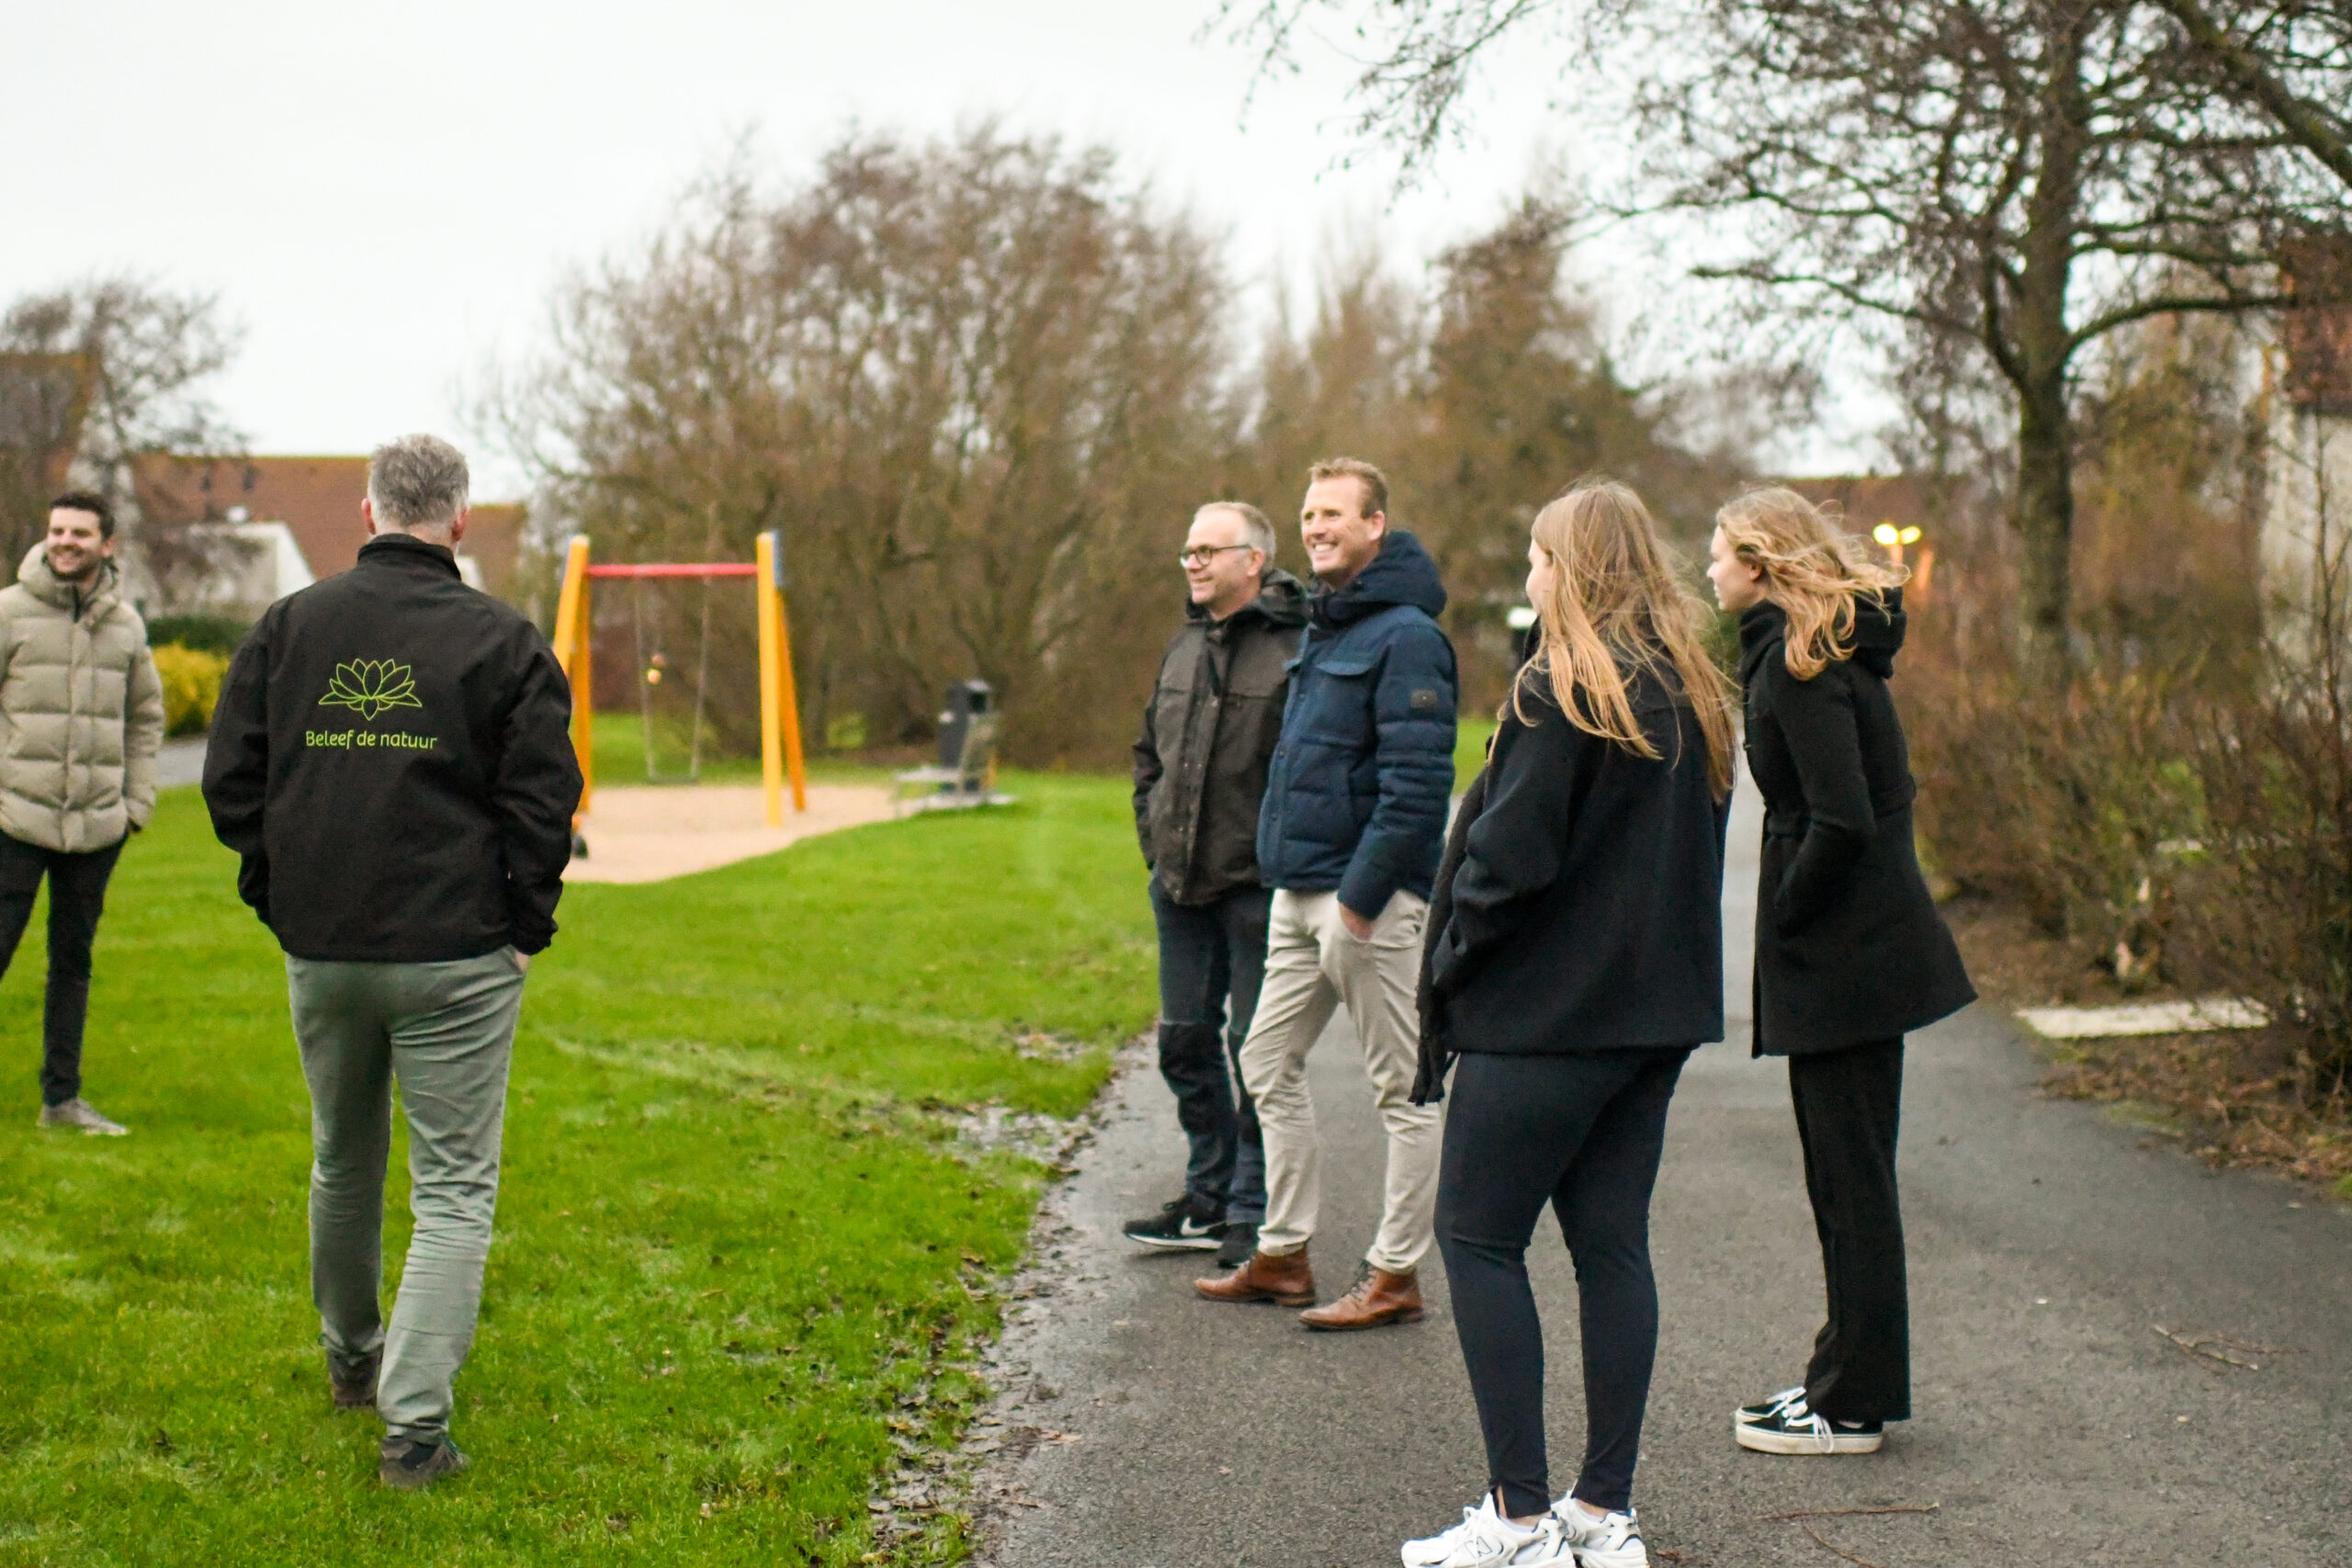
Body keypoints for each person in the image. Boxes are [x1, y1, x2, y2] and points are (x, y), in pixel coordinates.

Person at [202, 434, 582, 1491]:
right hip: (455, 951)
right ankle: (413, 1432)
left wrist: (278, 891)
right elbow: (545, 803)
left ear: (368, 515)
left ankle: (353, 1358)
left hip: (328, 948)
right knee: (454, 1189)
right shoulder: (503, 641)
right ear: (457, 521)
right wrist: (523, 922)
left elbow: (235, 783)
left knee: (344, 1158)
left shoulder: (291, 627)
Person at [1401, 479, 1736, 1568]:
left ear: (1576, 570)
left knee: (1479, 1237)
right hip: (1648, 1026)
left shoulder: (1564, 688)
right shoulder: (1691, 690)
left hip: (1544, 1020)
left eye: (1541, 558)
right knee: (1609, 1250)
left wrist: (1452, 963)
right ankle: (1601, 1513)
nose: (1531, 577)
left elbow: (1508, 861)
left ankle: (1517, 1518)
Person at [1705, 487, 1974, 1458]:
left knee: (1849, 1183)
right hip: (1852, 955)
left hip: (1846, 961)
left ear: (1763, 562)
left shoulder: (1800, 666)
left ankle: (1851, 1402)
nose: (1710, 571)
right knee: (1843, 1179)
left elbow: (1843, 816)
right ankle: (1839, 1376)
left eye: (1720, 556)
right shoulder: (1808, 653)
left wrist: (1786, 911)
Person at [1196, 457, 1456, 1331]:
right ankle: (1283, 1253)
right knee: (1265, 1059)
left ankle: (1394, 1274)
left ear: (1376, 524)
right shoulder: (1328, 624)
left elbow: (1419, 787)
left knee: (1404, 1089)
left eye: (1334, 514)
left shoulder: (1409, 635)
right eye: (1308, 515)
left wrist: (1362, 894)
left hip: (1364, 902)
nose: (1316, 528)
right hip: (1296, 893)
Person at [1127, 502, 1308, 1269]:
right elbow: (1149, 755)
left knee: (1255, 1051)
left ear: (1253, 561)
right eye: (1187, 550)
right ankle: (1206, 1194)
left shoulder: (1298, 648)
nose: (1194, 562)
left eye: (1209, 550)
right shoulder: (1183, 644)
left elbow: (1308, 769)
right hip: (1178, 885)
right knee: (1184, 1042)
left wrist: (1279, 858)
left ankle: (1250, 1208)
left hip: (1254, 888)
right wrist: (1153, 838)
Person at [3, 492, 164, 1136]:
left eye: (79, 532)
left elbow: (147, 716)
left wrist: (136, 804)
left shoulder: (126, 625)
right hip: (15, 821)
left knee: (73, 965)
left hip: (97, 829)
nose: (64, 540)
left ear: (107, 543)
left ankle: (62, 1102)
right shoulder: (11, 613)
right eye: (56, 530)